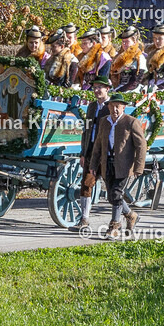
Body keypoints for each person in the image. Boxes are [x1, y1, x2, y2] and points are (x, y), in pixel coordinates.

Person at [90, 92, 147, 238]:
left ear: (123, 108)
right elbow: (98, 145)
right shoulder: (104, 121)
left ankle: (115, 226)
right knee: (111, 196)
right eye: (112, 106)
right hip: (107, 163)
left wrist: (139, 167)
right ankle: (131, 215)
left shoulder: (131, 122)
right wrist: (93, 164)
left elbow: (141, 145)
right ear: (108, 107)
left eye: (118, 107)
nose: (115, 110)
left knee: (116, 194)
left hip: (124, 164)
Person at [72, 75, 112, 232]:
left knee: (112, 189)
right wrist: (83, 152)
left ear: (107, 89)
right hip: (91, 151)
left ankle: (128, 215)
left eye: (99, 88)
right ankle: (84, 219)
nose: (96, 91)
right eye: (94, 88)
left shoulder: (112, 106)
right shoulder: (91, 107)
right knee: (86, 184)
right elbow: (86, 131)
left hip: (106, 153)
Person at [110, 25, 147, 92]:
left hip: (133, 89)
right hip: (119, 87)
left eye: (127, 41)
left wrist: (120, 91)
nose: (124, 44)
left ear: (134, 42)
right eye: (123, 41)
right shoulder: (119, 57)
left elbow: (135, 81)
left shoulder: (139, 58)